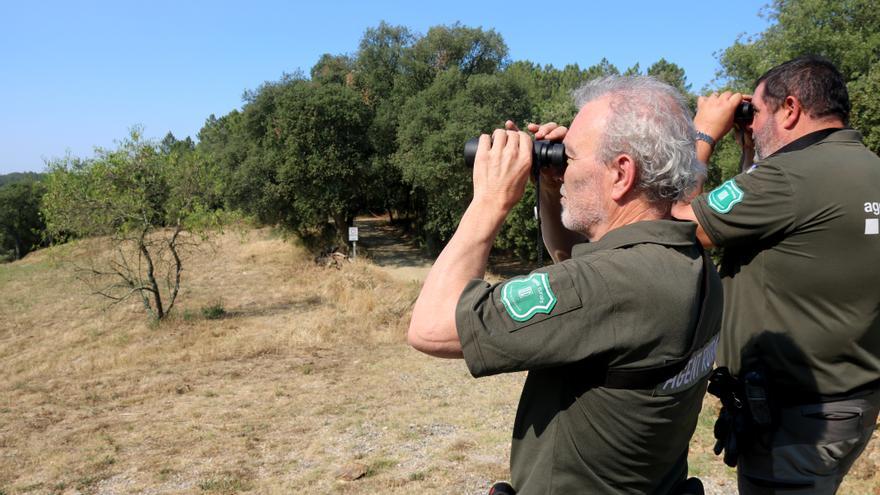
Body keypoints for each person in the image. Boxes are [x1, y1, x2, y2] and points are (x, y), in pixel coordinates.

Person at [408, 75, 722, 494]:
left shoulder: (613, 284)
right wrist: (553, 190)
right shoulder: (692, 263)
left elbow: (431, 327)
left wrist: (489, 199)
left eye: (570, 157)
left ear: (621, 173)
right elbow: (576, 272)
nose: (563, 164)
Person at [673, 55, 880, 493]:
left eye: (759, 113)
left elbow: (678, 222)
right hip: (850, 403)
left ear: (790, 109)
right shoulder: (869, 169)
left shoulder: (789, 177)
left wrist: (704, 132)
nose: (754, 124)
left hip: (793, 421)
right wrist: (751, 153)